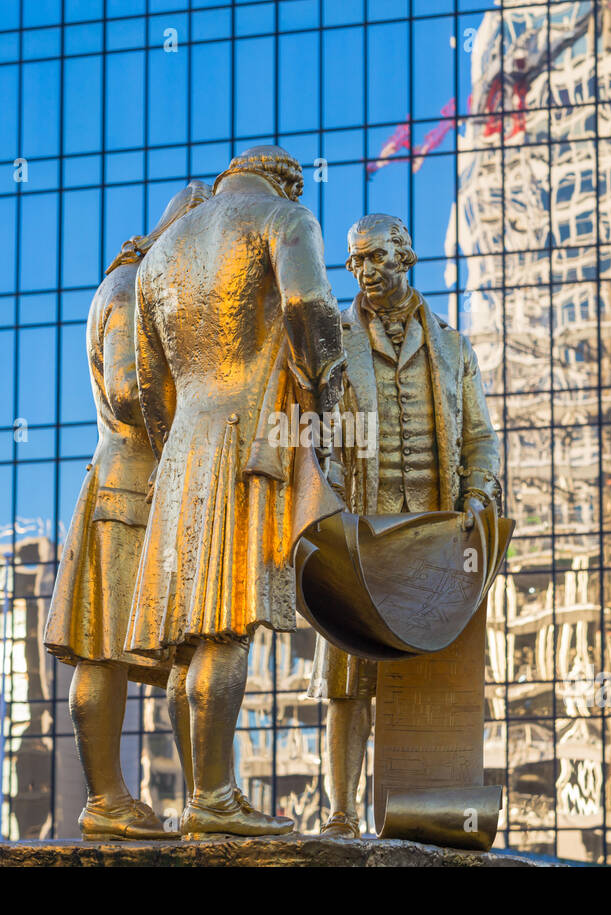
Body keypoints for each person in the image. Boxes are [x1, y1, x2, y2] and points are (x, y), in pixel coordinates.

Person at [126, 146, 346, 839]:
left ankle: (203, 792)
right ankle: (214, 797)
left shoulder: (158, 255)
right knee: (227, 620)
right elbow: (311, 304)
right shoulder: (284, 216)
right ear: (284, 178)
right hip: (248, 435)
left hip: (184, 443)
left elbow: (141, 385)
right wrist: (330, 388)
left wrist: (172, 443)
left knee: (189, 641)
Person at [309, 213, 503, 838]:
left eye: (373, 258)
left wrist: (476, 495)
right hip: (361, 537)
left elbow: (479, 437)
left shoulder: (453, 347)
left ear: (406, 258)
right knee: (347, 677)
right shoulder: (334, 343)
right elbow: (311, 434)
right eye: (354, 261)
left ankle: (418, 818)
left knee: (429, 675)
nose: (361, 273)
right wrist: (330, 499)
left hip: (433, 537)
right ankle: (340, 813)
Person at [42, 182, 211, 840]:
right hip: (131, 486)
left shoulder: (136, 285)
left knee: (171, 650)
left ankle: (202, 793)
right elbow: (127, 388)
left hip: (139, 486)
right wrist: (185, 423)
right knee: (106, 649)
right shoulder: (132, 290)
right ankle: (107, 797)